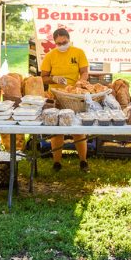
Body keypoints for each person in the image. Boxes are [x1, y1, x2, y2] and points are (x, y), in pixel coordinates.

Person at [40, 28, 90, 173]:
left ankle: (83, 161)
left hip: (74, 96)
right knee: (57, 130)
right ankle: (57, 163)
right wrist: (53, 79)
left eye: (64, 42)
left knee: (77, 128)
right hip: (55, 96)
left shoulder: (78, 52)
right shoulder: (50, 56)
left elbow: (84, 72)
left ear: (69, 40)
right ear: (54, 42)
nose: (62, 45)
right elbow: (43, 77)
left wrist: (80, 83)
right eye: (58, 43)